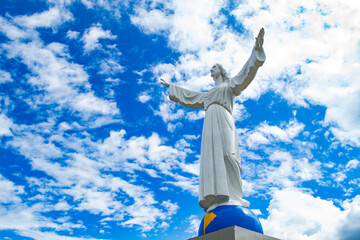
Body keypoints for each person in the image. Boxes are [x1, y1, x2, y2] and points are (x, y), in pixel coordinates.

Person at [160, 28, 266, 212]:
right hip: (210, 124)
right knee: (212, 157)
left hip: (223, 118)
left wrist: (255, 51)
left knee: (227, 154)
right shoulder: (208, 95)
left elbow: (246, 73)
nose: (211, 70)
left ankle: (234, 195)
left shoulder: (229, 85)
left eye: (214, 67)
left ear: (221, 71)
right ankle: (218, 196)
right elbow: (191, 97)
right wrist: (173, 87)